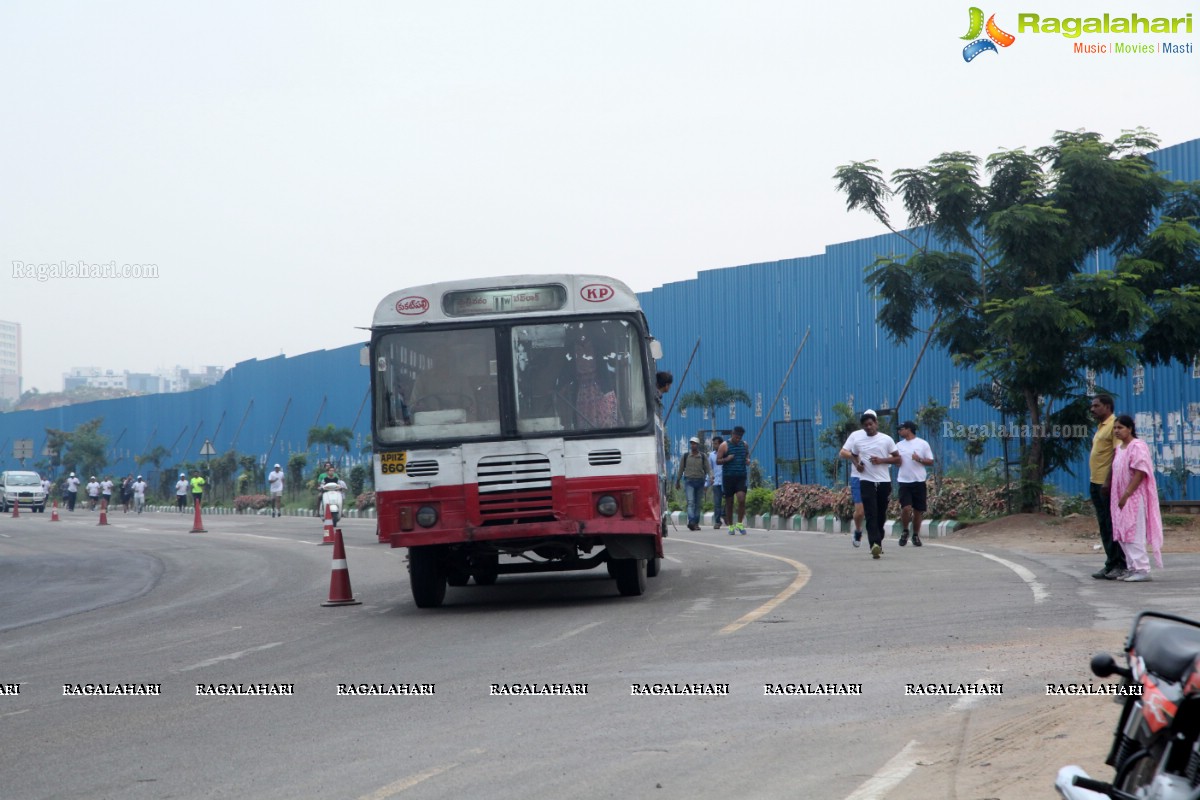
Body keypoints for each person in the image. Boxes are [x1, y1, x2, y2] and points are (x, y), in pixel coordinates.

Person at [1110, 415, 1163, 582]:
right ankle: (1132, 567)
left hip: (1133, 497)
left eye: (1120, 427)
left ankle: (1142, 569)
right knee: (1122, 532)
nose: (1117, 431)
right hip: (1118, 497)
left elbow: (1140, 472)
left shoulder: (1137, 447)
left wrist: (1127, 494)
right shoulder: (1119, 448)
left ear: (1130, 428)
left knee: (1134, 532)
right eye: (1115, 428)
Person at [840, 410, 899, 559]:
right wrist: (857, 462)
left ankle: (878, 535)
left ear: (876, 422)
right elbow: (845, 453)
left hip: (883, 481)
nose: (868, 427)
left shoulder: (886, 439)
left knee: (880, 513)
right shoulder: (856, 438)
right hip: (862, 479)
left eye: (871, 423)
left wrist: (881, 460)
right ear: (862, 425)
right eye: (865, 424)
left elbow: (898, 459)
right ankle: (873, 544)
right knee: (867, 512)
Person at [1089, 394, 1127, 580]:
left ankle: (1120, 564)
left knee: (1112, 524)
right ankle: (1110, 563)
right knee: (1104, 524)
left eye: (1096, 406)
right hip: (1096, 482)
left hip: (1106, 484)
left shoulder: (1114, 426)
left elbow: (1117, 455)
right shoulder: (1101, 426)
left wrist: (1107, 481)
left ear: (1107, 407)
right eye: (1092, 406)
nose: (1092, 409)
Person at [558, 336, 619, 429]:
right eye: (578, 351)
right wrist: (560, 388)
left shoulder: (599, 348)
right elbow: (567, 374)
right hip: (582, 392)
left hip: (601, 390)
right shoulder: (571, 353)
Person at [895, 421, 934, 547]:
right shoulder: (899, 445)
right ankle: (905, 530)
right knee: (906, 508)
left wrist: (919, 459)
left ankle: (915, 535)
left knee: (918, 510)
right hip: (904, 481)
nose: (899, 431)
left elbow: (930, 461)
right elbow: (896, 461)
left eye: (901, 429)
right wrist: (897, 463)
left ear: (909, 429)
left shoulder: (922, 444)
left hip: (919, 481)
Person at [717, 426, 750, 535]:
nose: (738, 439)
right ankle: (731, 526)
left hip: (741, 476)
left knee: (741, 499)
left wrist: (747, 460)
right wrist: (727, 459)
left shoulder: (744, 445)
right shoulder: (724, 446)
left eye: (740, 437)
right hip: (728, 477)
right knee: (729, 502)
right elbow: (718, 461)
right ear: (732, 434)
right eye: (736, 436)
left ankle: (739, 523)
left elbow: (747, 454)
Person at [675, 436, 712, 531]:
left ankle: (695, 523)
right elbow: (681, 469)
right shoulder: (686, 456)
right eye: (691, 443)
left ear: (698, 445)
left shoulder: (703, 456)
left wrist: (711, 477)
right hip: (689, 481)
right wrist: (678, 481)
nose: (693, 445)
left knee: (698, 503)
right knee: (691, 502)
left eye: (695, 443)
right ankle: (691, 521)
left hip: (700, 481)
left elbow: (708, 469)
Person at [707, 435, 725, 529]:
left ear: (721, 444)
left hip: (726, 481)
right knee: (717, 503)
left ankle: (724, 514)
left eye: (716, 443)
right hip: (716, 482)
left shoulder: (726, 454)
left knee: (728, 500)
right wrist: (708, 482)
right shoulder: (711, 455)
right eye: (713, 443)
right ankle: (717, 521)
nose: (714, 445)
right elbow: (709, 468)